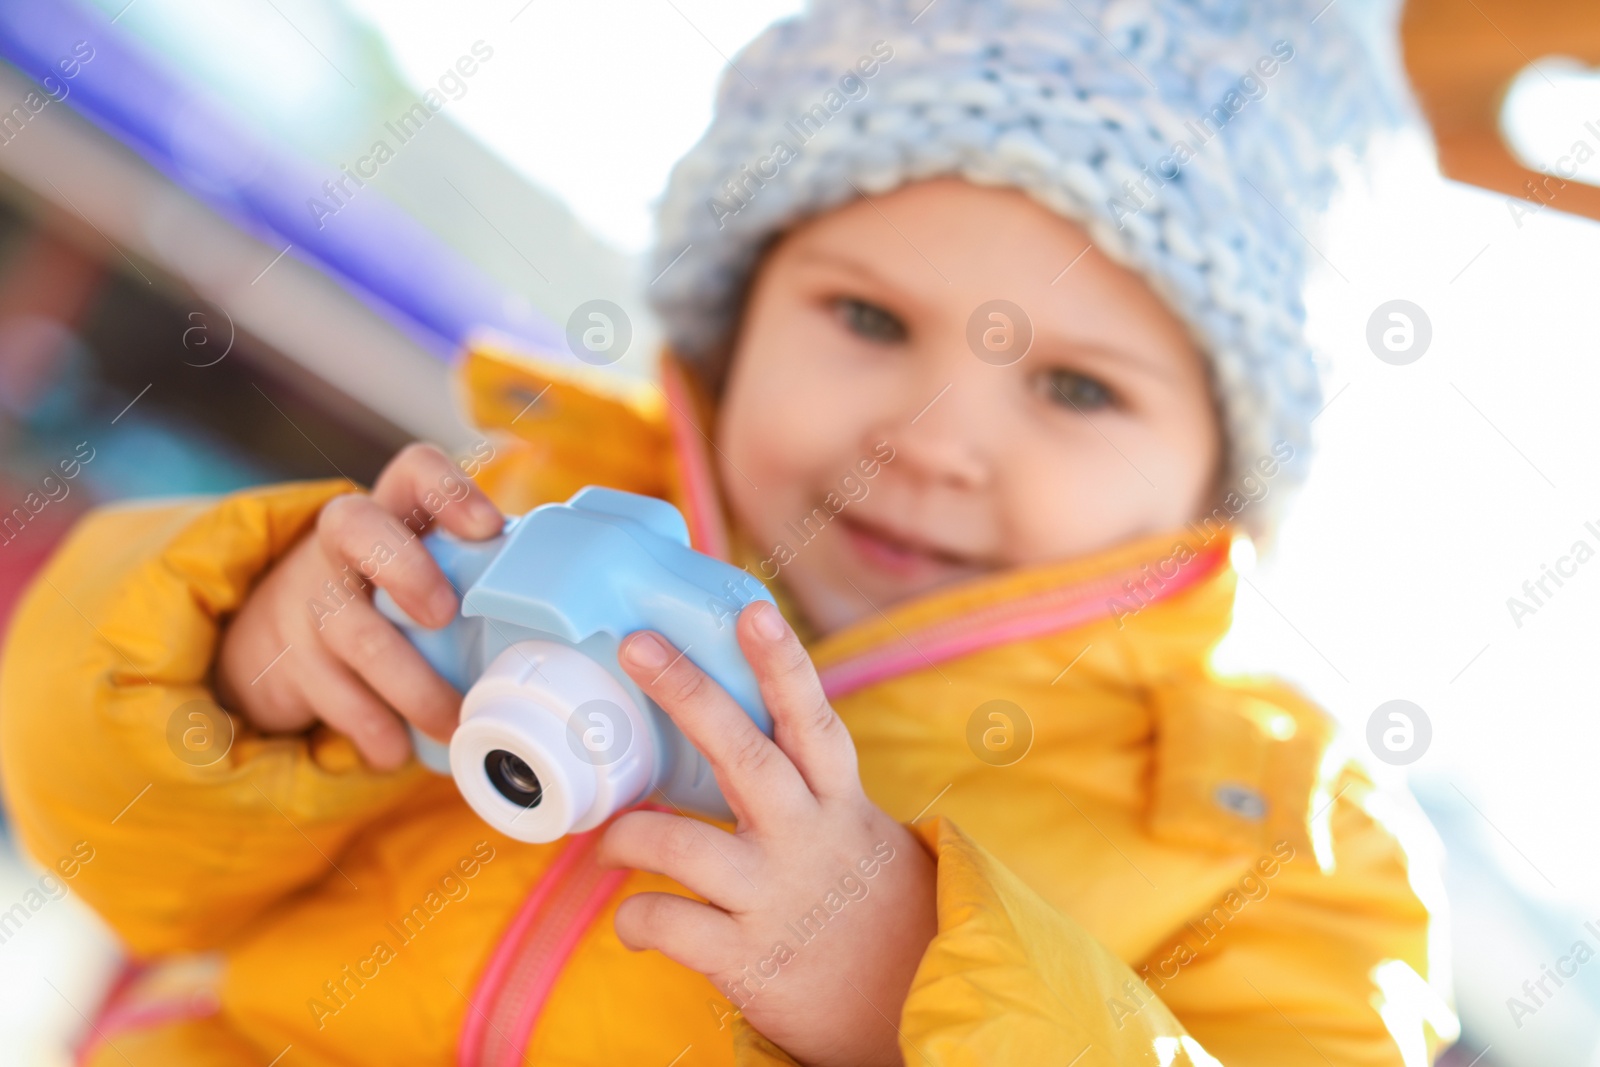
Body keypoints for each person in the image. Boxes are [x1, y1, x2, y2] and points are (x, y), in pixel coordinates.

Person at [0, 0, 1457, 1063]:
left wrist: (919, 995)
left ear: (1222, 477)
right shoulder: (515, 509)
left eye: (1078, 388)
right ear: (740, 308)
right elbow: (103, 844)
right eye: (871, 318)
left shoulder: (1277, 840)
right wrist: (240, 668)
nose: (932, 439)